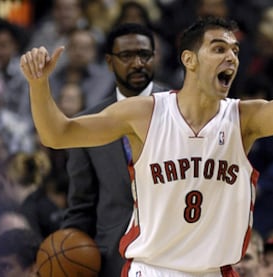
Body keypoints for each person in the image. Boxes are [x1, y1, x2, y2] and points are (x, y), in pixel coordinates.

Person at [20, 11, 273, 277]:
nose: (231, 57)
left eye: (234, 50)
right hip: (151, 267)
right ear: (189, 60)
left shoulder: (244, 119)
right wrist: (39, 86)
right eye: (218, 48)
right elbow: (57, 135)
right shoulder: (145, 112)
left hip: (212, 270)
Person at [60, 22, 168, 277]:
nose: (138, 63)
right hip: (113, 260)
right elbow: (81, 205)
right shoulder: (87, 122)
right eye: (126, 56)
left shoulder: (182, 111)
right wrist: (68, 257)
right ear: (109, 61)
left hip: (172, 255)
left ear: (155, 57)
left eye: (144, 54)